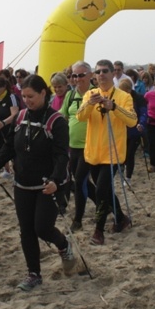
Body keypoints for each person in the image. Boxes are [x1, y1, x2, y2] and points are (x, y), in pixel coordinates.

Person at [0, 75, 74, 291]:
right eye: (24, 97)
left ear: (43, 93)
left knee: (42, 228)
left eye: (31, 96)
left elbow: (62, 155)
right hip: (22, 184)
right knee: (26, 230)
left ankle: (64, 245)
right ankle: (33, 274)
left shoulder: (57, 121)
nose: (27, 101)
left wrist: (56, 180)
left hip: (48, 184)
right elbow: (10, 145)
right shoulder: (20, 117)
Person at [76, 58, 137, 245]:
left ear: (112, 73)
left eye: (104, 71)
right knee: (105, 190)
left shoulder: (123, 96)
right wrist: (89, 104)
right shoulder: (89, 94)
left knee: (101, 190)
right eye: (98, 71)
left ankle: (98, 230)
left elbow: (132, 120)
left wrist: (114, 107)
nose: (101, 74)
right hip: (93, 152)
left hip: (113, 153)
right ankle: (121, 218)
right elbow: (80, 117)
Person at [61, 61, 97, 232]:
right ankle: (108, 206)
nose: (77, 79)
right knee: (81, 180)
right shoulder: (70, 95)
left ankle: (78, 219)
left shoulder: (96, 94)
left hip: (90, 145)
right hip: (72, 146)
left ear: (90, 75)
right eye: (74, 75)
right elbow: (62, 115)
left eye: (81, 75)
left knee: (80, 180)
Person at [118, 77, 147, 182]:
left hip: (135, 130)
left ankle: (128, 177)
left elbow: (143, 113)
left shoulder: (138, 98)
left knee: (130, 154)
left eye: (125, 91)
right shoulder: (118, 98)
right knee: (123, 153)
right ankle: (122, 167)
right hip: (122, 131)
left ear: (129, 89)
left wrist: (141, 123)